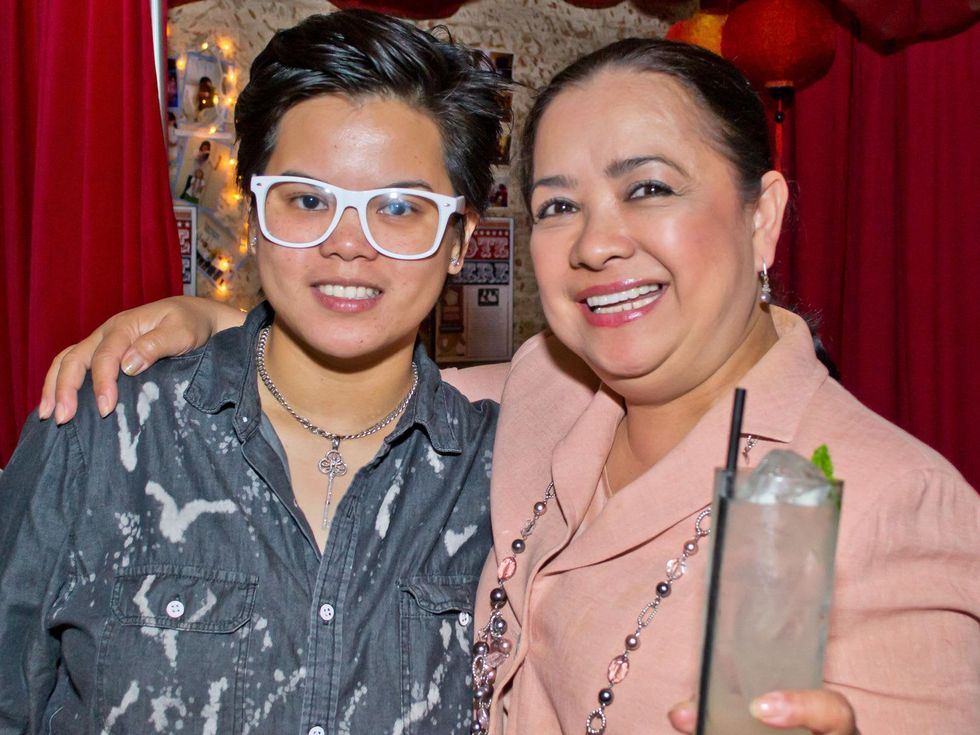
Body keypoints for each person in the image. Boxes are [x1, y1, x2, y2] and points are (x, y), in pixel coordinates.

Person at [35, 39, 979, 735]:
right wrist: (211, 322)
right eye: (561, 204)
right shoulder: (540, 399)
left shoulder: (894, 504)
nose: (600, 241)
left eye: (649, 188)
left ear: (763, 215)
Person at [0, 11, 508, 734]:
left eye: (398, 208)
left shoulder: (504, 481)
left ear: (458, 240)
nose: (346, 245)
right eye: (306, 200)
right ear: (254, 213)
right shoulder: (109, 428)